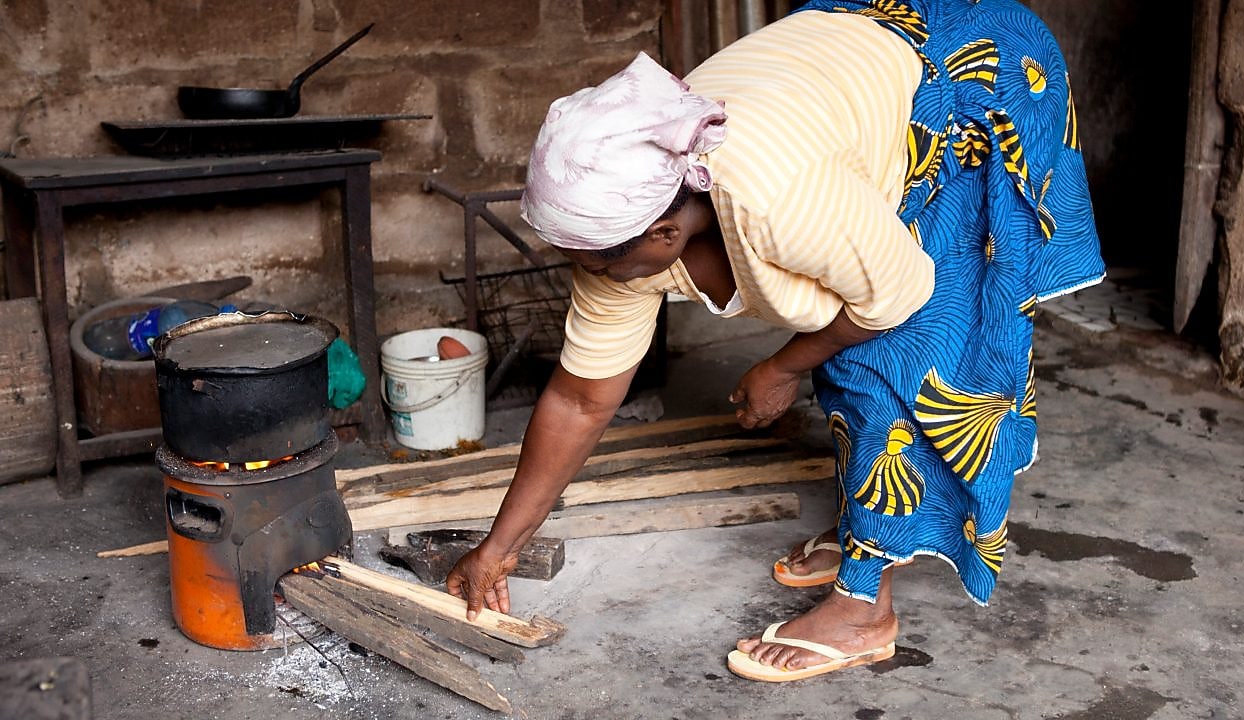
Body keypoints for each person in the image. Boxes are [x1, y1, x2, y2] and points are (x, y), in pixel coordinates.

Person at [446, 0, 1104, 683]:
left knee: (883, 360)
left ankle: (863, 607)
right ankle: (866, 532)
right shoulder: (626, 222)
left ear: (664, 235)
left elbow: (900, 293)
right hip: (853, 60)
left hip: (967, 67)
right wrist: (500, 546)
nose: (588, 275)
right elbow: (581, 401)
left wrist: (783, 366)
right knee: (846, 334)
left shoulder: (776, 198)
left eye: (595, 261)